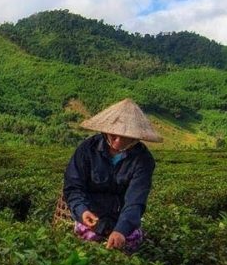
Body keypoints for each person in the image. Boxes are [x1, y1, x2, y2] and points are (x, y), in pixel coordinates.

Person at [63, 98, 162, 252]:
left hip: (121, 218)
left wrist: (121, 229)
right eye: (114, 134)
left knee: (127, 244)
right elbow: (73, 187)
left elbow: (135, 201)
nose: (118, 139)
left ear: (136, 137)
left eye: (125, 136)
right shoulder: (87, 150)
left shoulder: (143, 160)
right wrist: (82, 211)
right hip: (91, 216)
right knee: (87, 245)